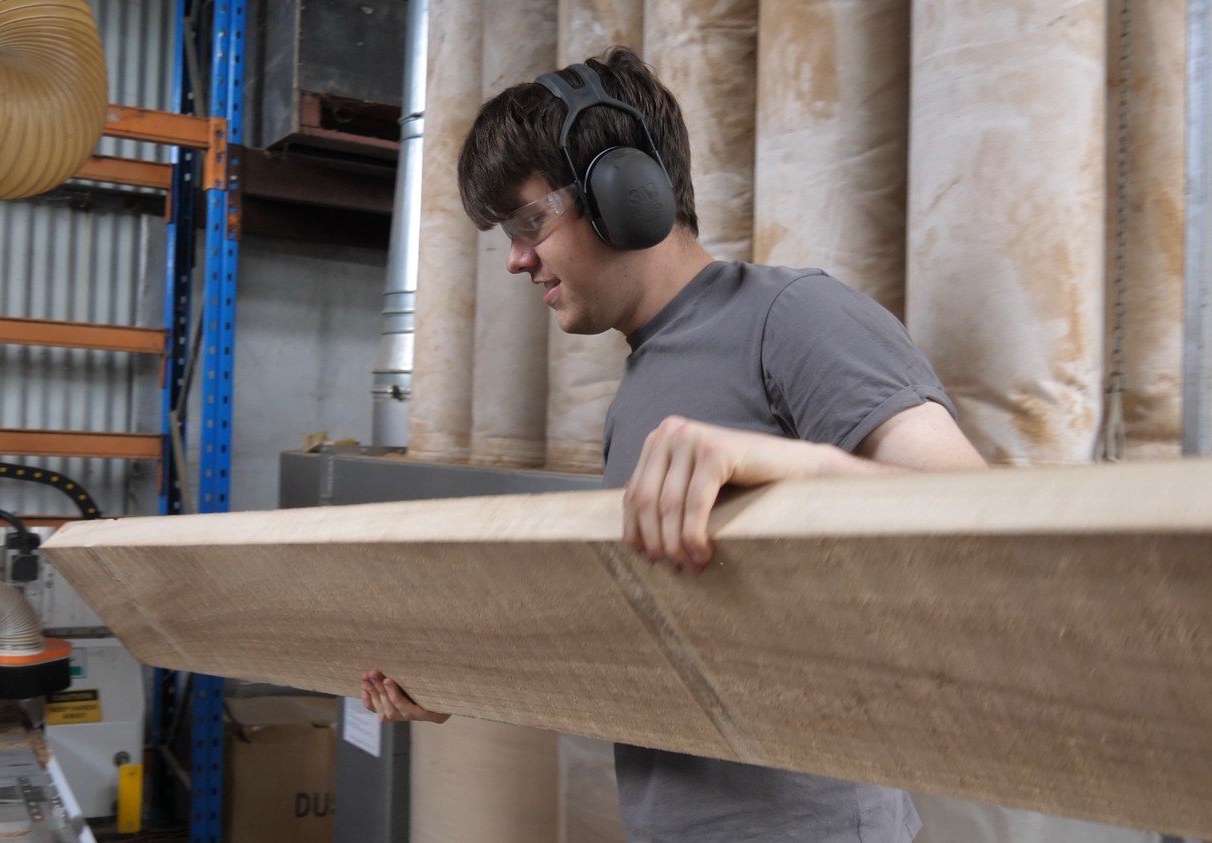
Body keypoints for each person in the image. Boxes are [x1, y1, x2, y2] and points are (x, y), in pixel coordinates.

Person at [361, 47, 987, 843]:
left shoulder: (794, 316)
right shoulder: (639, 394)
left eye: (528, 222)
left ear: (626, 191)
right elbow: (656, 647)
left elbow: (975, 522)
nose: (517, 258)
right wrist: (465, 683)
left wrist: (797, 468)